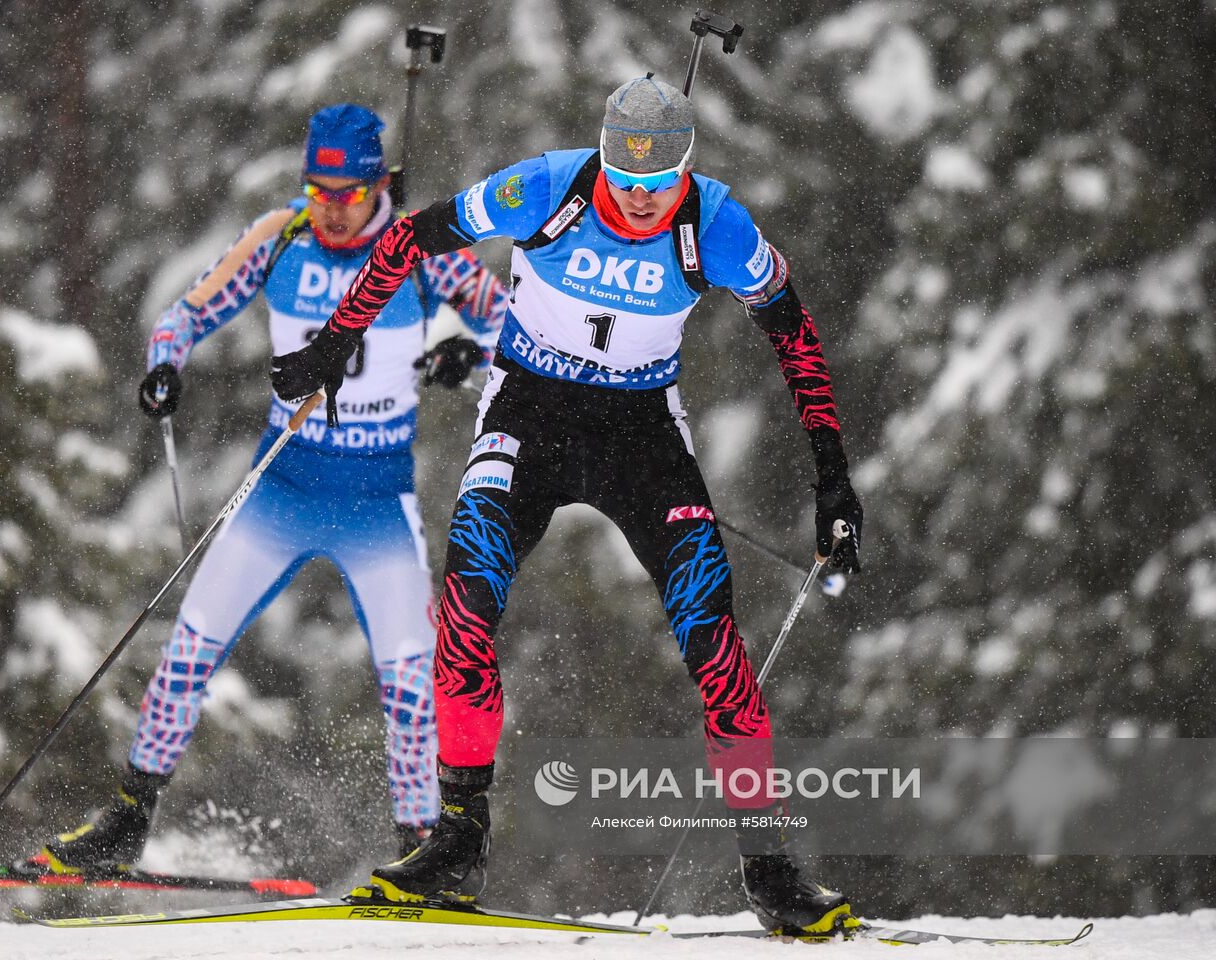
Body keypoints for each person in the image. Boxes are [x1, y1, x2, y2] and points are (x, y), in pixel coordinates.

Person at [269, 77, 865, 935]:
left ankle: (770, 869)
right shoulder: (546, 186)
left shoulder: (719, 227)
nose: (636, 198)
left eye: (656, 185)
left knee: (713, 637)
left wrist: (833, 482)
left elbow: (795, 334)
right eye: (622, 178)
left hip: (640, 433)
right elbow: (409, 237)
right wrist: (337, 339)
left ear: (685, 170)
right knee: (467, 597)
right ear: (602, 155)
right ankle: (456, 839)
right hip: (529, 413)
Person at [40, 103, 509, 872]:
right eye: (317, 190)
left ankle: (424, 849)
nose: (329, 209)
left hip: (376, 504)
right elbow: (186, 313)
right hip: (280, 492)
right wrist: (165, 364)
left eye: (347, 195)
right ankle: (127, 820)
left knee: (411, 679)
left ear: (379, 185)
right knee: (190, 645)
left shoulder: (423, 249)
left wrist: (463, 347)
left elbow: (512, 329)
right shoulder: (280, 235)